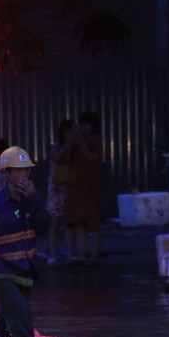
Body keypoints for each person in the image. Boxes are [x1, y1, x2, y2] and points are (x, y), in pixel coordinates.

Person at [0, 146, 48, 337]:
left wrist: (33, 198)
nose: (24, 174)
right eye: (18, 169)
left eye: (26, 170)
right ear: (6, 173)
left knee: (12, 313)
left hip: (25, 269)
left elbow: (45, 225)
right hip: (2, 270)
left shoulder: (33, 198)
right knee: (20, 309)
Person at [61, 111, 103, 266]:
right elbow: (63, 158)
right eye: (82, 124)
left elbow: (92, 158)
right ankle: (82, 255)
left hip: (90, 184)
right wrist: (70, 142)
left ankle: (94, 255)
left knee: (93, 220)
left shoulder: (95, 141)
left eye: (87, 124)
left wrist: (81, 144)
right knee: (78, 220)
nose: (84, 127)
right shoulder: (76, 140)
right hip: (75, 184)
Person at [46, 119, 75, 266]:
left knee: (69, 222)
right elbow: (56, 159)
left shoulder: (76, 147)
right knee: (54, 222)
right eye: (66, 131)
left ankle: (69, 254)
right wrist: (68, 144)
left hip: (69, 187)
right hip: (56, 188)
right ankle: (52, 254)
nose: (68, 134)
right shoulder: (55, 146)